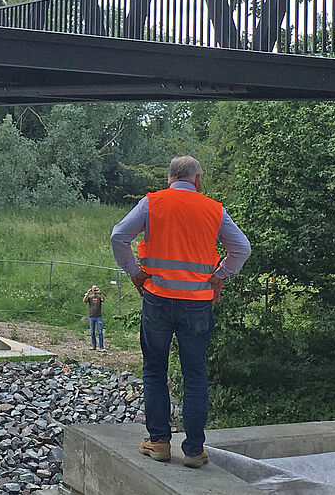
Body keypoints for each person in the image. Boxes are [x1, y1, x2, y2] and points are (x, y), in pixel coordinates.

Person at [111, 156, 251, 469]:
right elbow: (241, 248)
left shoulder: (152, 204)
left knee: (154, 370)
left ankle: (159, 442)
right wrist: (220, 276)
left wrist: (135, 272)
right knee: (196, 374)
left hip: (158, 299)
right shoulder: (214, 209)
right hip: (198, 304)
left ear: (170, 178)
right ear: (198, 180)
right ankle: (194, 449)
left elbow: (118, 236)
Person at [83, 285, 106, 349]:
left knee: (100, 332)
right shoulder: (90, 298)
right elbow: (84, 300)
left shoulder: (99, 297)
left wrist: (100, 293)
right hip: (91, 316)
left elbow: (103, 300)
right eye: (94, 289)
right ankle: (94, 345)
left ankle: (101, 346)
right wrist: (87, 293)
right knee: (92, 332)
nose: (95, 291)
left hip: (99, 316)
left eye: (95, 289)